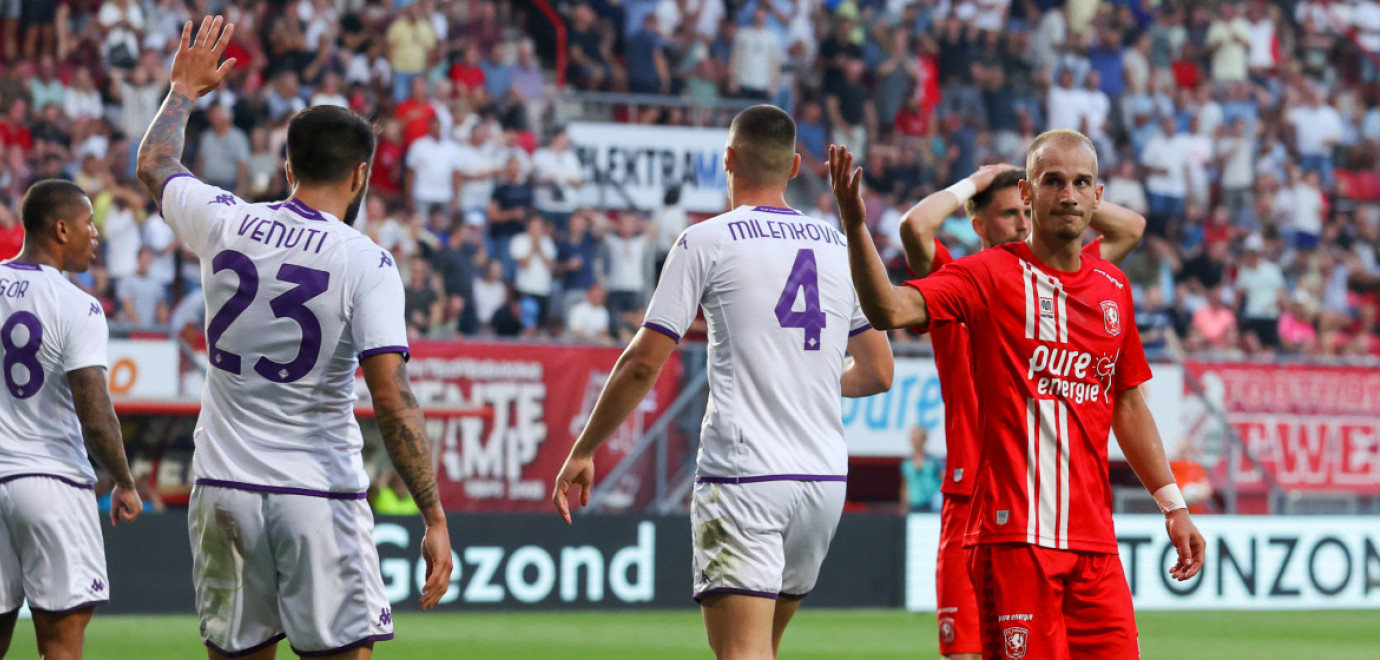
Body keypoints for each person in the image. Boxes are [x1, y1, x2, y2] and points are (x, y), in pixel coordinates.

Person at [134, 17, 451, 659]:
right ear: (360, 175)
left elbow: (155, 162)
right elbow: (391, 399)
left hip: (222, 488)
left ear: (286, 166)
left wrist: (183, 93)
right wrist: (434, 517)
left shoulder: (225, 220)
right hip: (318, 493)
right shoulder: (367, 262)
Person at [832, 133, 1205, 660]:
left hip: (1095, 544)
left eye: (1080, 184)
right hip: (1013, 540)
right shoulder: (986, 276)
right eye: (1053, 182)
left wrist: (1174, 506)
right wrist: (855, 228)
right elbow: (890, 309)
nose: (1069, 195)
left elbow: (1128, 403)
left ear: (1098, 196)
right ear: (1030, 196)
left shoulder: (1112, 287)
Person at [551, 105, 894, 660]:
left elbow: (643, 361)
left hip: (746, 477)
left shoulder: (705, 240)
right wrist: (802, 378)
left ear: (727, 160)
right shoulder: (836, 243)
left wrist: (585, 448)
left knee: (741, 654)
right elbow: (879, 372)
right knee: (763, 651)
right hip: (824, 482)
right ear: (794, 166)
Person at [896, 160, 1147, 660]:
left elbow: (1132, 227)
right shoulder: (956, 279)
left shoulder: (1067, 285)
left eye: (1024, 209)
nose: (1021, 220)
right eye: (1010, 212)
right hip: (972, 495)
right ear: (978, 225)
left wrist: (1060, 195)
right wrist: (973, 181)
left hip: (1046, 505)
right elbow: (916, 226)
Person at [0, 180, 142, 659]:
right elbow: (95, 412)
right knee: (60, 649)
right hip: (51, 483)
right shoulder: (77, 304)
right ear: (61, 229)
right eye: (88, 224)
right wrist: (124, 480)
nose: (95, 234)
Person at [899, 427, 942, 514]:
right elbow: (905, 485)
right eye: (913, 439)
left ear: (924, 440)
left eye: (918, 438)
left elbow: (944, 480)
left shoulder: (934, 461)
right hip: (914, 506)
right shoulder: (907, 463)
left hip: (932, 507)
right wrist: (904, 505)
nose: (915, 441)